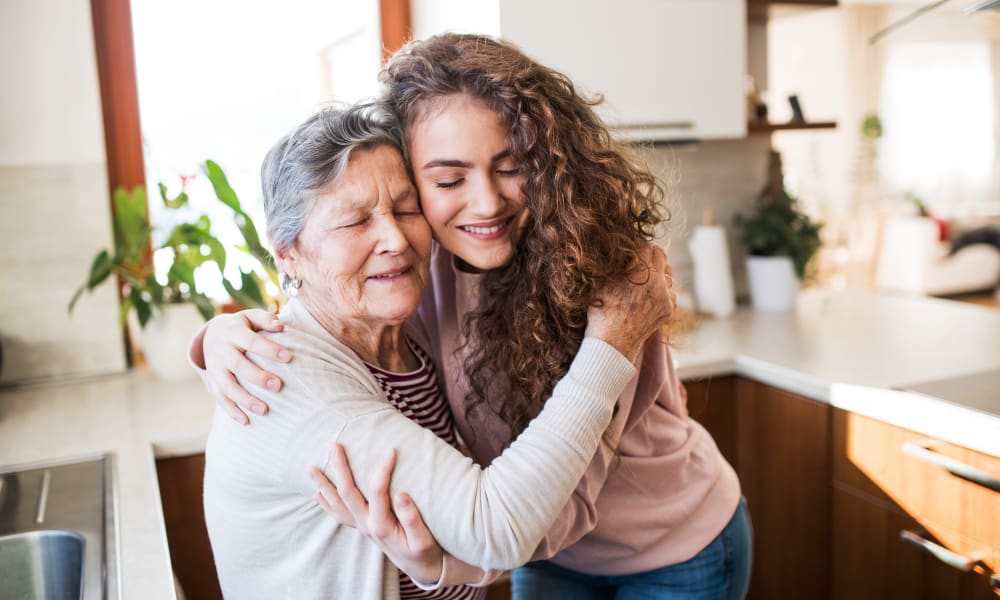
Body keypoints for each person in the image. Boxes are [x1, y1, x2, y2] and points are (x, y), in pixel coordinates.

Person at [194, 33, 752, 599]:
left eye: (511, 167)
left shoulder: (600, 279)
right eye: (448, 181)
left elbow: (564, 505)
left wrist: (444, 564)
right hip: (539, 552)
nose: (485, 203)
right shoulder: (417, 270)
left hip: (670, 545)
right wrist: (218, 335)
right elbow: (323, 310)